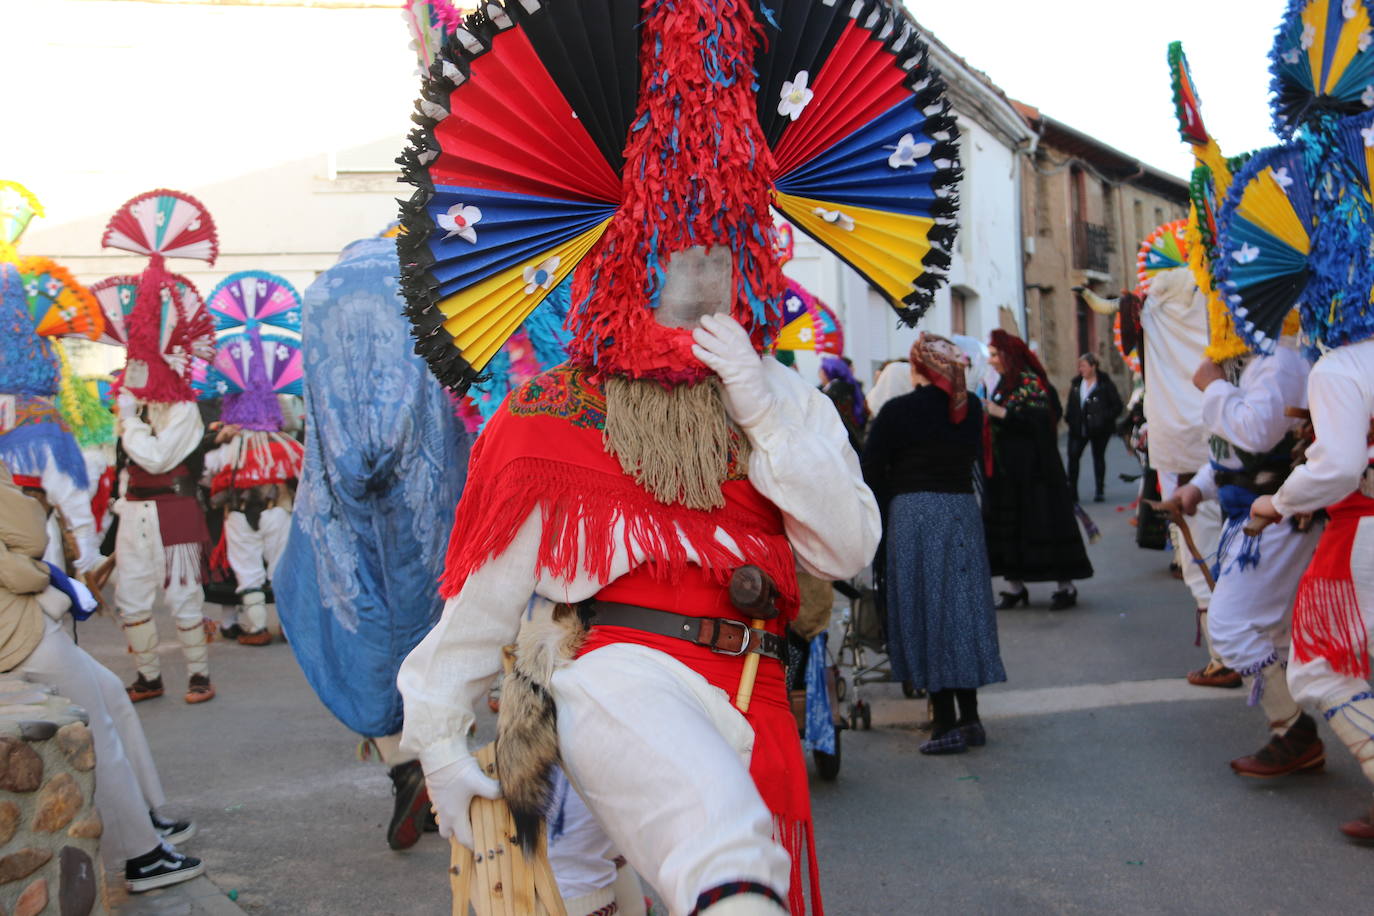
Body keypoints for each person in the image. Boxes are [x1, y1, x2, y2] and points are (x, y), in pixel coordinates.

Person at [389, 0, 961, 908]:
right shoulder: (553, 414)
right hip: (617, 688)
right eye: (672, 253)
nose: (699, 280)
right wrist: (441, 740)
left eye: (720, 253)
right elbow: (483, 602)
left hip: (756, 702)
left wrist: (764, 411)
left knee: (724, 858)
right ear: (624, 254)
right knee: (715, 857)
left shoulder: (784, 397)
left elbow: (850, 550)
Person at [274, 234, 472, 851]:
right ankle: (442, 774)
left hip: (339, 488)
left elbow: (327, 407)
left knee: (361, 619)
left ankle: (404, 765)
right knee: (444, 629)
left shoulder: (323, 295)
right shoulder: (422, 286)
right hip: (427, 486)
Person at [0, 463, 203, 893]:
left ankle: (145, 815)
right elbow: (31, 542)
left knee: (110, 694)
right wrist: (39, 573)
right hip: (19, 634)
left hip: (22, 628)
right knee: (97, 731)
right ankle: (141, 855)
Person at [1169, 325, 1321, 776]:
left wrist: (1211, 384)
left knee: (1232, 626)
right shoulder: (1252, 361)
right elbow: (1233, 457)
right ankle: (1292, 733)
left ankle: (1296, 728)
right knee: (1269, 632)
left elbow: (1256, 434)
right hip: (1253, 521)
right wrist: (1197, 489)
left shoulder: (1282, 361)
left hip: (1280, 518)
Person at [1252, 336, 1374, 838]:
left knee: (1319, 669)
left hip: (1362, 532)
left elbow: (1340, 466)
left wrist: (1278, 502)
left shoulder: (1339, 365)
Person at [861, 334, 1005, 755]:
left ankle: (943, 722)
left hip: (914, 518)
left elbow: (871, 468)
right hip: (960, 513)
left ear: (917, 369)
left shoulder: (897, 411)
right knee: (962, 611)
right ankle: (971, 718)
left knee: (927, 610)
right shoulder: (972, 408)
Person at [982, 330, 1093, 609]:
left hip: (1037, 474)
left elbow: (1041, 425)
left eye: (995, 355)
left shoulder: (1031, 385)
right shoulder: (1005, 384)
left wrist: (1001, 414)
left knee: (1046, 525)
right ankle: (1015, 586)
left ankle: (1065, 587)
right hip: (1009, 474)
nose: (991, 361)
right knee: (1012, 529)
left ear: (1009, 355)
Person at [1064, 353, 1122, 503]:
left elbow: (1117, 406)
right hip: (1079, 427)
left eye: (1083, 365)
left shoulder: (1104, 384)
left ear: (1093, 366)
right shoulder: (1077, 384)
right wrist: (1070, 419)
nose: (1080, 369)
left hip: (1099, 429)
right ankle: (1072, 491)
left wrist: (1104, 417)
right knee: (1073, 457)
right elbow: (1071, 405)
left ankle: (1099, 490)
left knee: (1098, 457)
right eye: (1080, 366)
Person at [819, 355, 868, 452]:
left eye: (821, 370)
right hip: (855, 441)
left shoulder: (833, 393)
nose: (819, 373)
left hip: (843, 443)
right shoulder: (851, 387)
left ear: (828, 372)